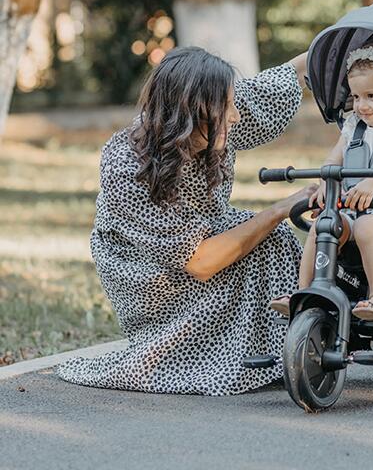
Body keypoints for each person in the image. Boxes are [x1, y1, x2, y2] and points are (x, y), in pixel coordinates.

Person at [57, 46, 315, 395]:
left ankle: (275, 350)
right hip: (150, 275)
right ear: (190, 111)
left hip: (202, 238)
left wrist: (359, 34)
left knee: (276, 239)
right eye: (228, 107)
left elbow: (284, 76)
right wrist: (280, 208)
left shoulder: (214, 120)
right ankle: (217, 357)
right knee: (269, 229)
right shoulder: (128, 164)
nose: (236, 116)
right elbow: (200, 262)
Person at [270, 44, 373, 323]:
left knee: (367, 225)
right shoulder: (353, 126)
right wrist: (326, 184)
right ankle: (303, 291)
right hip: (352, 214)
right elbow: (332, 162)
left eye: (371, 96)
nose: (361, 105)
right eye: (356, 96)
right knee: (325, 222)